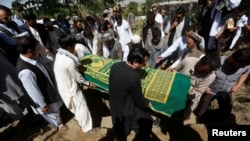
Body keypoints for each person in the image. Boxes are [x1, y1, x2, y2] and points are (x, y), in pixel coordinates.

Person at [16, 37, 68, 131]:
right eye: (38, 49)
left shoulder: (30, 58)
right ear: (30, 51)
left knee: (55, 109)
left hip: (46, 87)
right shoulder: (26, 71)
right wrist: (42, 104)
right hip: (44, 98)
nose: (40, 50)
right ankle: (59, 124)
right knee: (52, 112)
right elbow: (32, 91)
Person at [53, 34, 98, 134]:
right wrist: (88, 83)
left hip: (64, 87)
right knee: (82, 108)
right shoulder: (68, 61)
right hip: (71, 90)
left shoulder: (59, 54)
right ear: (69, 47)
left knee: (77, 109)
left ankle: (83, 123)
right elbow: (78, 77)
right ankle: (88, 129)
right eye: (73, 45)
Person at [109, 47, 153, 141]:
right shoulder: (134, 78)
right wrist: (147, 103)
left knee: (120, 132)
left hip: (114, 106)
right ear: (136, 62)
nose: (145, 65)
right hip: (126, 110)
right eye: (143, 62)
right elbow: (138, 99)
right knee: (147, 122)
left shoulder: (115, 66)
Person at [195, 48, 250, 121]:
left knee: (226, 112)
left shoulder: (245, 65)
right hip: (211, 89)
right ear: (232, 59)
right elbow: (201, 72)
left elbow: (245, 72)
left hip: (226, 90)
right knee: (201, 111)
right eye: (240, 66)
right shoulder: (217, 61)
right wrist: (205, 87)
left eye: (244, 66)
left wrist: (238, 85)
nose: (242, 67)